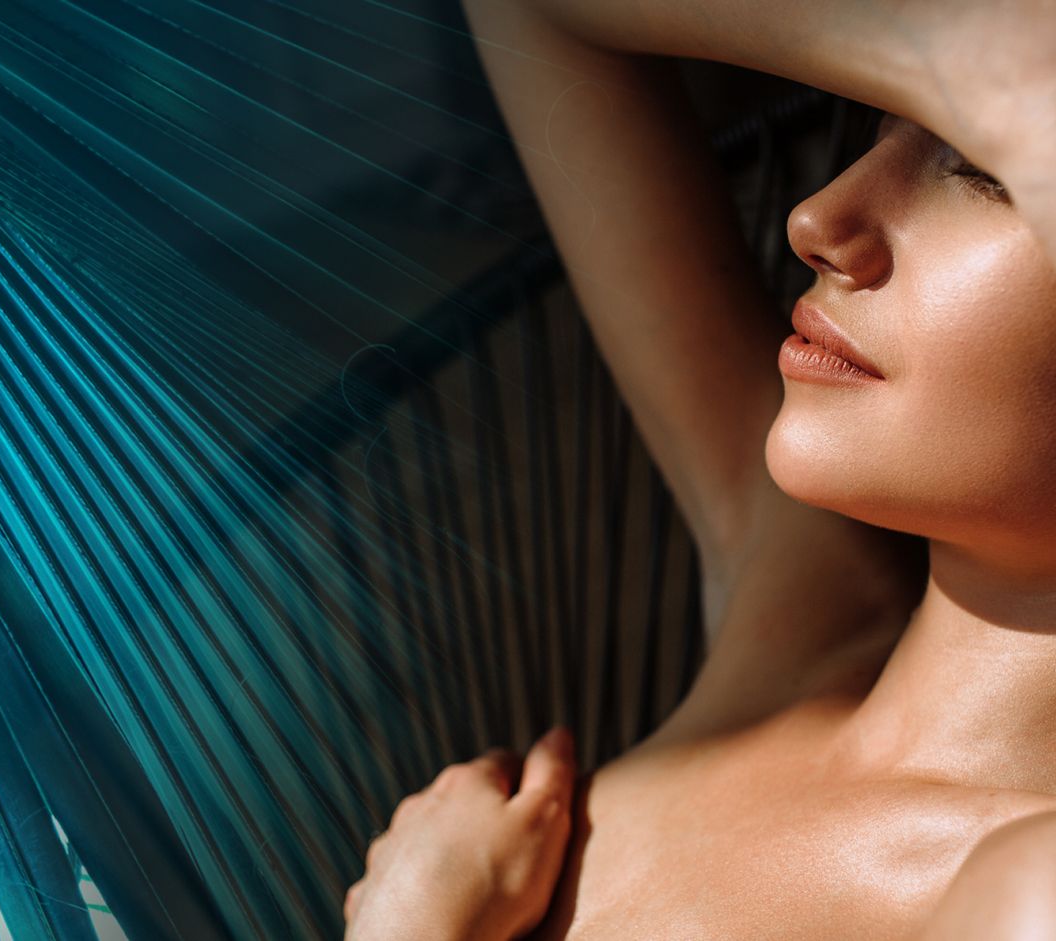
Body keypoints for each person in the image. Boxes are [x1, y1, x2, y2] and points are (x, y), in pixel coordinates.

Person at [342, 0, 1056, 937]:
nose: (818, 219)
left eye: (983, 172)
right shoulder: (814, 600)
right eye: (884, 128)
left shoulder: (1026, 893)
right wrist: (967, 47)